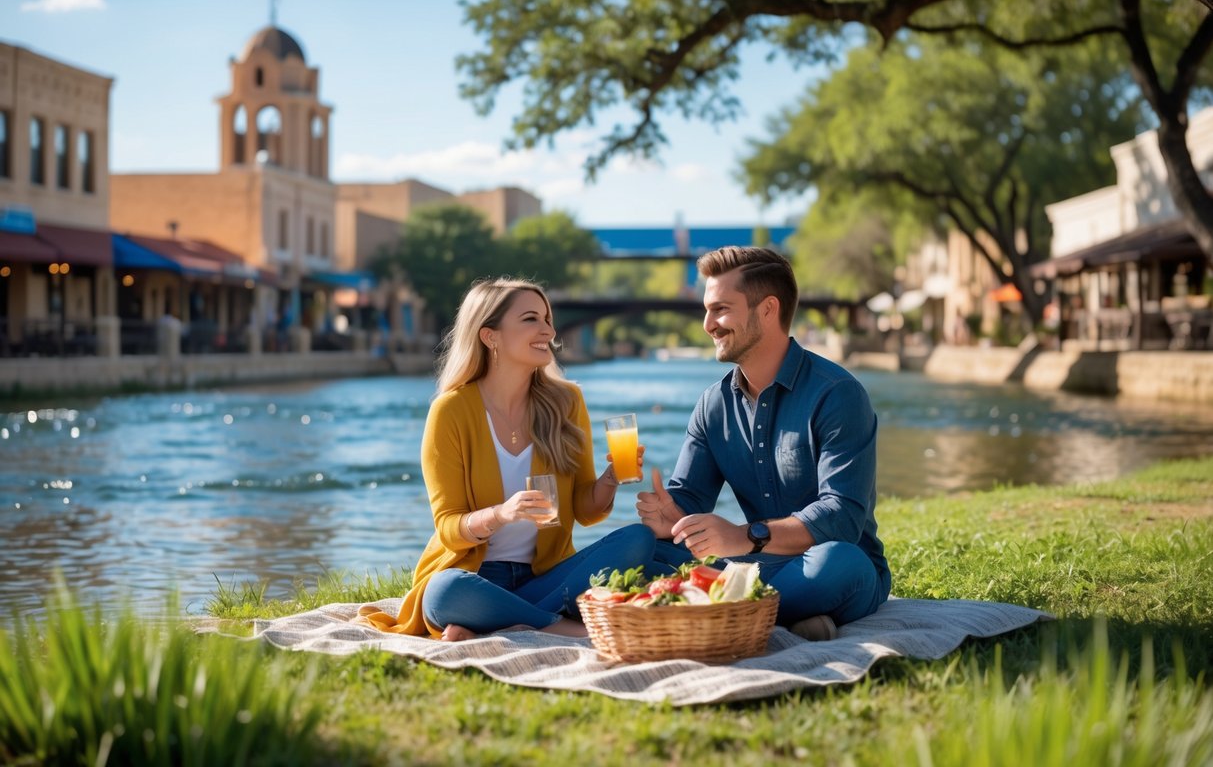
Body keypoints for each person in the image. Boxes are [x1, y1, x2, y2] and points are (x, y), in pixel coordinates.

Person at [357, 278, 654, 640]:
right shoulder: (451, 411)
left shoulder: (566, 401)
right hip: (475, 575)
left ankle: (502, 621)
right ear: (489, 336)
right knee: (444, 592)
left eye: (547, 318)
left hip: (547, 576)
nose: (548, 329)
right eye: (531, 319)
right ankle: (562, 627)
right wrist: (501, 514)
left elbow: (585, 510)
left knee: (638, 539)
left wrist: (610, 479)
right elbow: (449, 528)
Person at [636, 246, 891, 641]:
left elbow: (842, 516)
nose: (708, 324)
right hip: (750, 567)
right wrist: (670, 519)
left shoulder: (838, 394)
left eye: (721, 309)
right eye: (707, 309)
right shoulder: (713, 404)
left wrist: (744, 536)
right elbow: (688, 498)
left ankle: (720, 613)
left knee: (838, 562)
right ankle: (775, 616)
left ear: (768, 310)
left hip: (825, 563)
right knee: (635, 550)